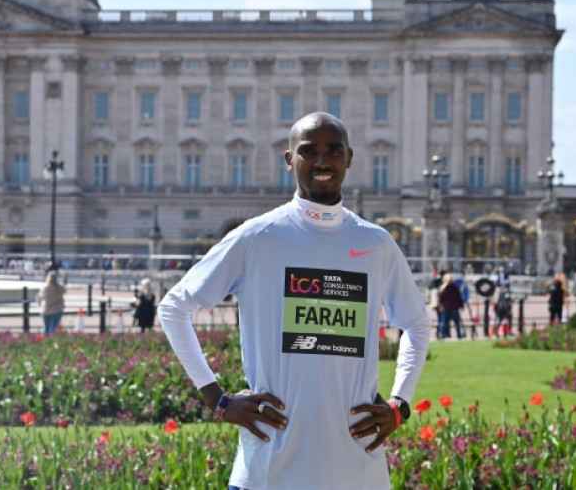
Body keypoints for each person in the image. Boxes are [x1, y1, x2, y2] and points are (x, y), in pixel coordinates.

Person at [158, 112, 431, 490]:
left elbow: (417, 323)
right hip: (268, 471)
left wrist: (400, 405)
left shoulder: (376, 242)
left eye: (333, 151)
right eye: (308, 151)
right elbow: (173, 308)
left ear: (348, 158)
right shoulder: (258, 236)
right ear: (290, 160)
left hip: (357, 471)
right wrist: (216, 399)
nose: (322, 162)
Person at [438, 273, 465, 339]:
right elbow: (459, 298)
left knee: (446, 323)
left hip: (449, 307)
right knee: (447, 323)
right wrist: (461, 306)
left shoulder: (451, 288)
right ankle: (457, 335)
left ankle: (443, 335)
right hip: (450, 307)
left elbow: (440, 298)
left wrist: (461, 305)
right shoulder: (452, 287)